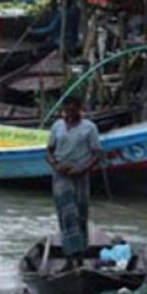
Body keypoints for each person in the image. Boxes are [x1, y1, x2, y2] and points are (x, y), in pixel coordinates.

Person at [46, 97, 102, 265]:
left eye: (73, 110)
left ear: (79, 109)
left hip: (80, 175)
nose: (69, 114)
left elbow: (97, 153)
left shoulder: (89, 128)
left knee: (80, 213)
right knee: (66, 214)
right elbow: (48, 151)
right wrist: (56, 165)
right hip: (61, 176)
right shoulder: (57, 126)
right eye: (67, 110)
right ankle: (71, 256)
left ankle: (80, 254)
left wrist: (82, 168)